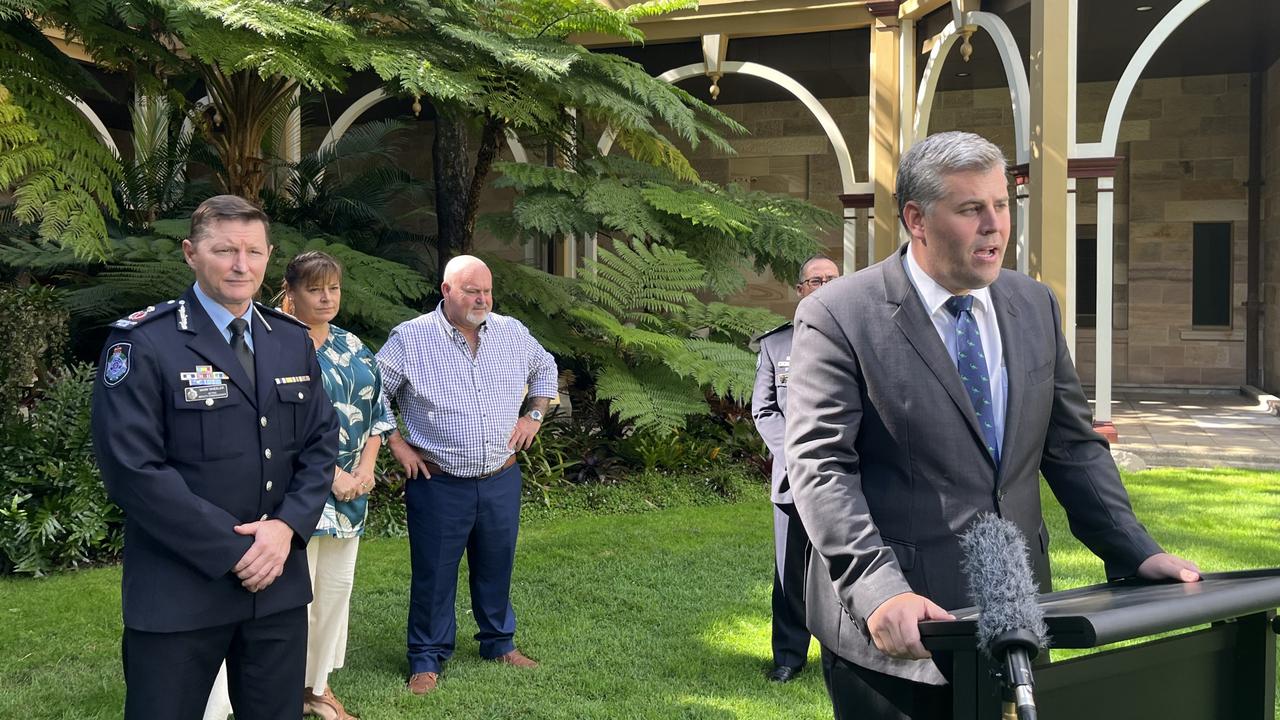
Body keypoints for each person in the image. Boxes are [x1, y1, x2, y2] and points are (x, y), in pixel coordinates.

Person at [783, 131, 1201, 720]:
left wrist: (1134, 550)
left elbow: (1073, 447)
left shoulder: (1034, 304)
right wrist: (880, 591)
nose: (995, 226)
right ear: (917, 220)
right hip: (899, 634)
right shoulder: (837, 315)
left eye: (1001, 205)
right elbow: (821, 467)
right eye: (971, 209)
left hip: (1018, 612)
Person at [91, 194, 339, 720]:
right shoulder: (144, 342)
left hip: (276, 587)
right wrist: (235, 550)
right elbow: (133, 470)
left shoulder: (291, 340)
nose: (240, 265)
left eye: (253, 251)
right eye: (225, 250)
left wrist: (285, 530)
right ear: (190, 253)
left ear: (270, 255)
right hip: (180, 589)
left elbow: (320, 444)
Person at [204, 251, 396, 720]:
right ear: (290, 293)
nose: (327, 297)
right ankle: (241, 698)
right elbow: (279, 427)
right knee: (286, 599)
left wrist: (366, 470)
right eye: (315, 288)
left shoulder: (353, 346)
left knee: (334, 593)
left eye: (333, 288)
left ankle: (316, 687)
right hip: (299, 496)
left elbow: (378, 413)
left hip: (353, 497)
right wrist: (333, 476)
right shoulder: (275, 345)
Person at [377, 254, 558, 696]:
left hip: (501, 476)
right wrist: (396, 442)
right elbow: (368, 392)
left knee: (496, 565)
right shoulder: (410, 338)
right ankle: (426, 657)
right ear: (446, 291)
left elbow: (546, 368)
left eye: (487, 291)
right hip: (438, 481)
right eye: (472, 290)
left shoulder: (512, 333)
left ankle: (498, 643)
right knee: (434, 573)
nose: (482, 299)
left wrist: (533, 415)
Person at [751, 254, 841, 683]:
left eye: (831, 279)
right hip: (792, 478)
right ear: (800, 288)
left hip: (845, 478)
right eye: (815, 280)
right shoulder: (776, 345)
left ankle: (843, 655)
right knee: (789, 572)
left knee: (844, 568)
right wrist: (794, 454)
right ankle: (788, 655)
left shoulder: (858, 337)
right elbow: (764, 408)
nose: (823, 285)